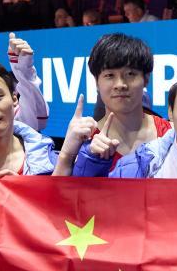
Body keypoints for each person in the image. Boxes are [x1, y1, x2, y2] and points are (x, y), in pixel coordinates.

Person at [71, 33, 171, 176]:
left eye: (130, 74)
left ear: (146, 79)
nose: (120, 84)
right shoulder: (83, 141)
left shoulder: (170, 135)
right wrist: (68, 155)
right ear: (96, 82)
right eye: (109, 75)